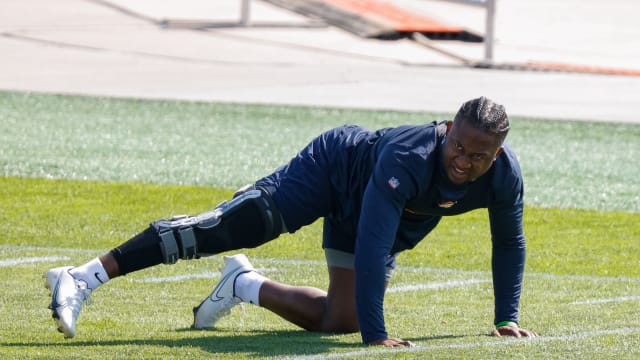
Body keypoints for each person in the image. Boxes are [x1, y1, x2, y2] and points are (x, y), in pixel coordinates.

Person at [44, 96, 538, 346]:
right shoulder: (410, 156)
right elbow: (371, 243)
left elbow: (509, 244)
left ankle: (242, 284)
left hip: (375, 211)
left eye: (480, 155)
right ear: (448, 129)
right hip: (332, 171)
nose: (464, 161)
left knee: (340, 320)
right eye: (458, 146)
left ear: (497, 154)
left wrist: (506, 318)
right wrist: (377, 335)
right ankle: (83, 276)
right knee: (230, 227)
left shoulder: (503, 176)